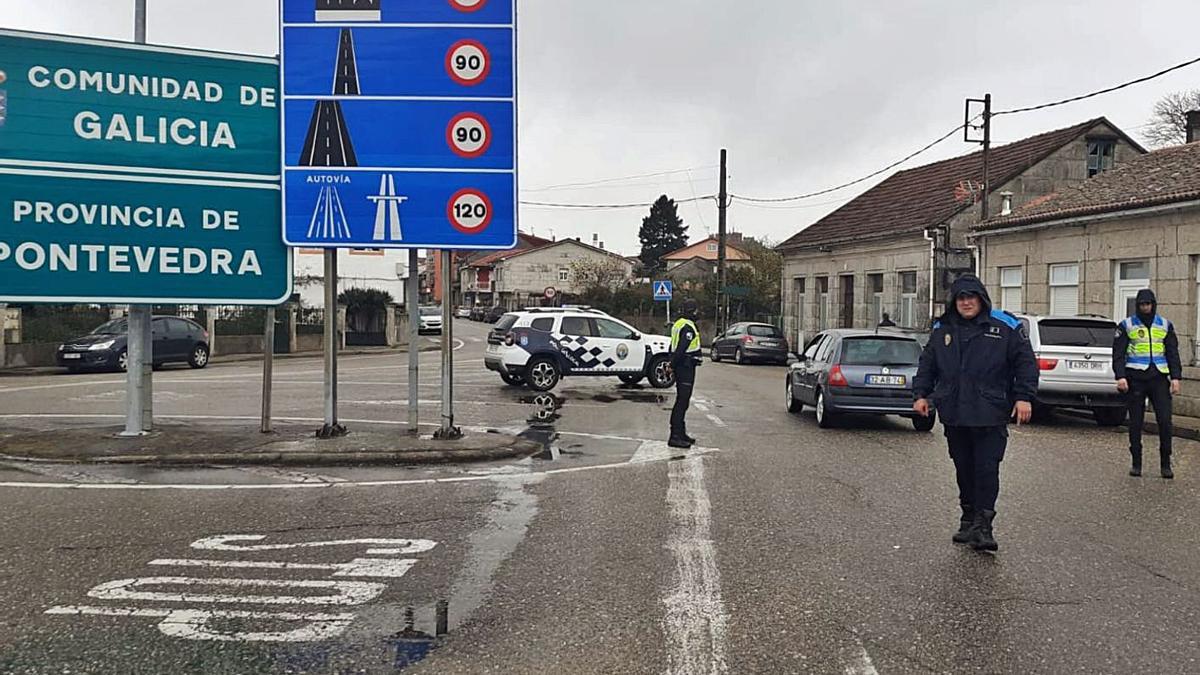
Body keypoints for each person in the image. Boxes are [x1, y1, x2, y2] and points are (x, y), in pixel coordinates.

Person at [913, 275, 1038, 552]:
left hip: (990, 411)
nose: (966, 303)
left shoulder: (1005, 325)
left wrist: (1024, 398)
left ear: (981, 299)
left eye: (971, 297)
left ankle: (984, 525)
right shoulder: (942, 328)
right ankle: (968, 518)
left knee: (986, 468)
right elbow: (927, 365)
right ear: (954, 301)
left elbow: (1025, 364)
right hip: (955, 410)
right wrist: (920, 394)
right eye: (961, 298)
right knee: (963, 467)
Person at [1113, 289, 1182, 479]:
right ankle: (1136, 463)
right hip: (1135, 379)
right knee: (1135, 423)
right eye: (1142, 305)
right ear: (1138, 305)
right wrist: (1120, 376)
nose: (1146, 308)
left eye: (1148, 304)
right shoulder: (1126, 325)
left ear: (1153, 304)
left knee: (1165, 422)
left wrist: (1176, 378)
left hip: (1159, 378)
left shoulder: (1165, 325)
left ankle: (1165, 464)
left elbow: (1172, 353)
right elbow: (1118, 354)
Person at [669, 299, 703, 449]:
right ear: (691, 311)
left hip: (683, 366)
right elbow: (681, 348)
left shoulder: (678, 323)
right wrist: (672, 365)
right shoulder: (688, 327)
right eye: (695, 310)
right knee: (682, 401)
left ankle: (681, 433)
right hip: (685, 367)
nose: (697, 313)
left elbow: (672, 346)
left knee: (683, 401)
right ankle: (675, 436)